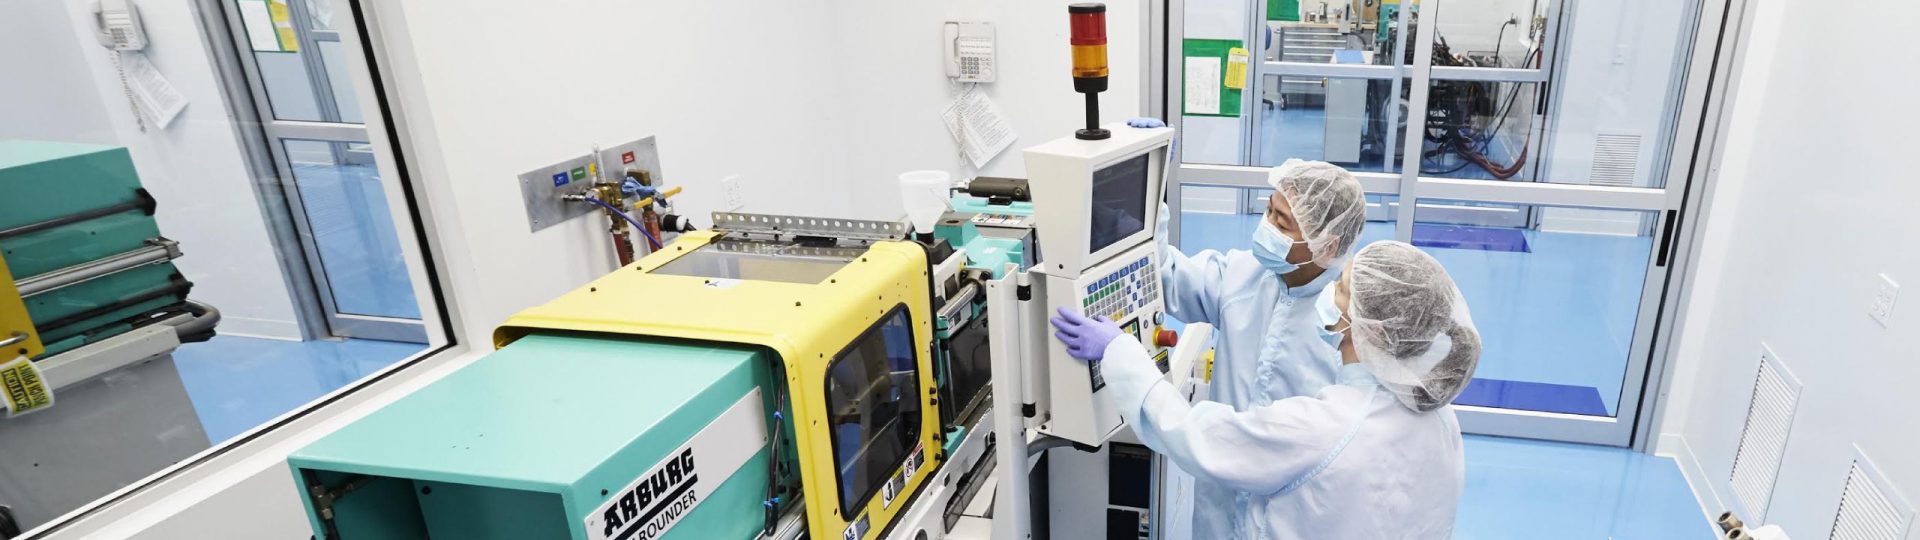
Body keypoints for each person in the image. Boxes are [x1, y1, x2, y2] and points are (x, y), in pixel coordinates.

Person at [1052, 241, 1482, 538]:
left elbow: (1193, 434)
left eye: (1343, 289)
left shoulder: (1327, 429)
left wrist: (1119, 352)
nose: (1330, 291)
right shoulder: (1440, 417)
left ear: (1365, 328)